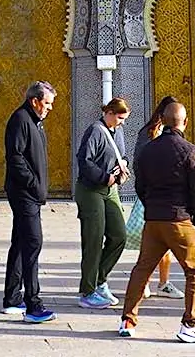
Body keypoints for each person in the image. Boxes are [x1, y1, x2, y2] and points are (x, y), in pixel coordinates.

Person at [117, 100, 195, 345]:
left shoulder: (148, 150)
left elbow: (140, 185)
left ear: (162, 120)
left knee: (142, 269)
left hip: (154, 219)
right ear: (185, 121)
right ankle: (190, 324)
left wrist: (151, 206)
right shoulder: (190, 150)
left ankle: (128, 321)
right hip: (180, 219)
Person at [1, 81, 55, 323]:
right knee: (33, 243)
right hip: (24, 194)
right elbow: (15, 157)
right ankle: (34, 305)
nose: (49, 108)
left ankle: (12, 298)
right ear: (35, 101)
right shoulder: (21, 120)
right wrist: (33, 184)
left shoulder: (34, 121)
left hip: (30, 194)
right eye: (47, 103)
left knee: (22, 242)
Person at [74, 98, 131, 309]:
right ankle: (88, 291)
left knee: (119, 235)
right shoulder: (95, 131)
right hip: (91, 191)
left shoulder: (118, 131)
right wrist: (103, 177)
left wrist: (124, 166)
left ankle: (100, 279)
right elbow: (84, 160)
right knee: (94, 239)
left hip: (111, 190)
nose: (122, 122)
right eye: (120, 118)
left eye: (124, 119)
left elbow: (122, 155)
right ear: (108, 112)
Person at [128, 97, 185, 301]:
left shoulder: (171, 134)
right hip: (153, 195)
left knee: (163, 244)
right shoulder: (149, 132)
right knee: (151, 243)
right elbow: (139, 163)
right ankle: (147, 283)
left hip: (165, 196)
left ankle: (163, 282)